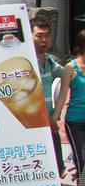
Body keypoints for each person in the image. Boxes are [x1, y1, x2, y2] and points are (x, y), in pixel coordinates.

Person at [31, 16, 65, 174]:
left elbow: (67, 74)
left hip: (50, 123)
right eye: (39, 36)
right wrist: (50, 118)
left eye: (47, 36)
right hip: (33, 124)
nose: (44, 40)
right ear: (30, 36)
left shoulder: (49, 61)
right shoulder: (28, 61)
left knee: (57, 166)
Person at [53, 30, 85, 177]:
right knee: (81, 161)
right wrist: (55, 118)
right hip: (75, 122)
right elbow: (62, 95)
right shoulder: (70, 68)